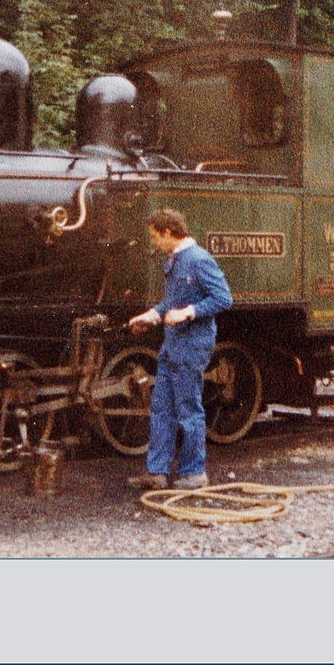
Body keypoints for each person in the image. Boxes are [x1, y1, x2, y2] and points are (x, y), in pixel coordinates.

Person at [126, 209, 233, 490]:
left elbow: (223, 298)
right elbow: (170, 302)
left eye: (154, 237)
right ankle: (157, 473)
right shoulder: (174, 260)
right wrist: (151, 316)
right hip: (172, 344)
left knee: (187, 409)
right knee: (161, 408)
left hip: (192, 345)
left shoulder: (199, 260)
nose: (153, 243)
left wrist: (188, 312)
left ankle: (194, 473)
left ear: (169, 233)